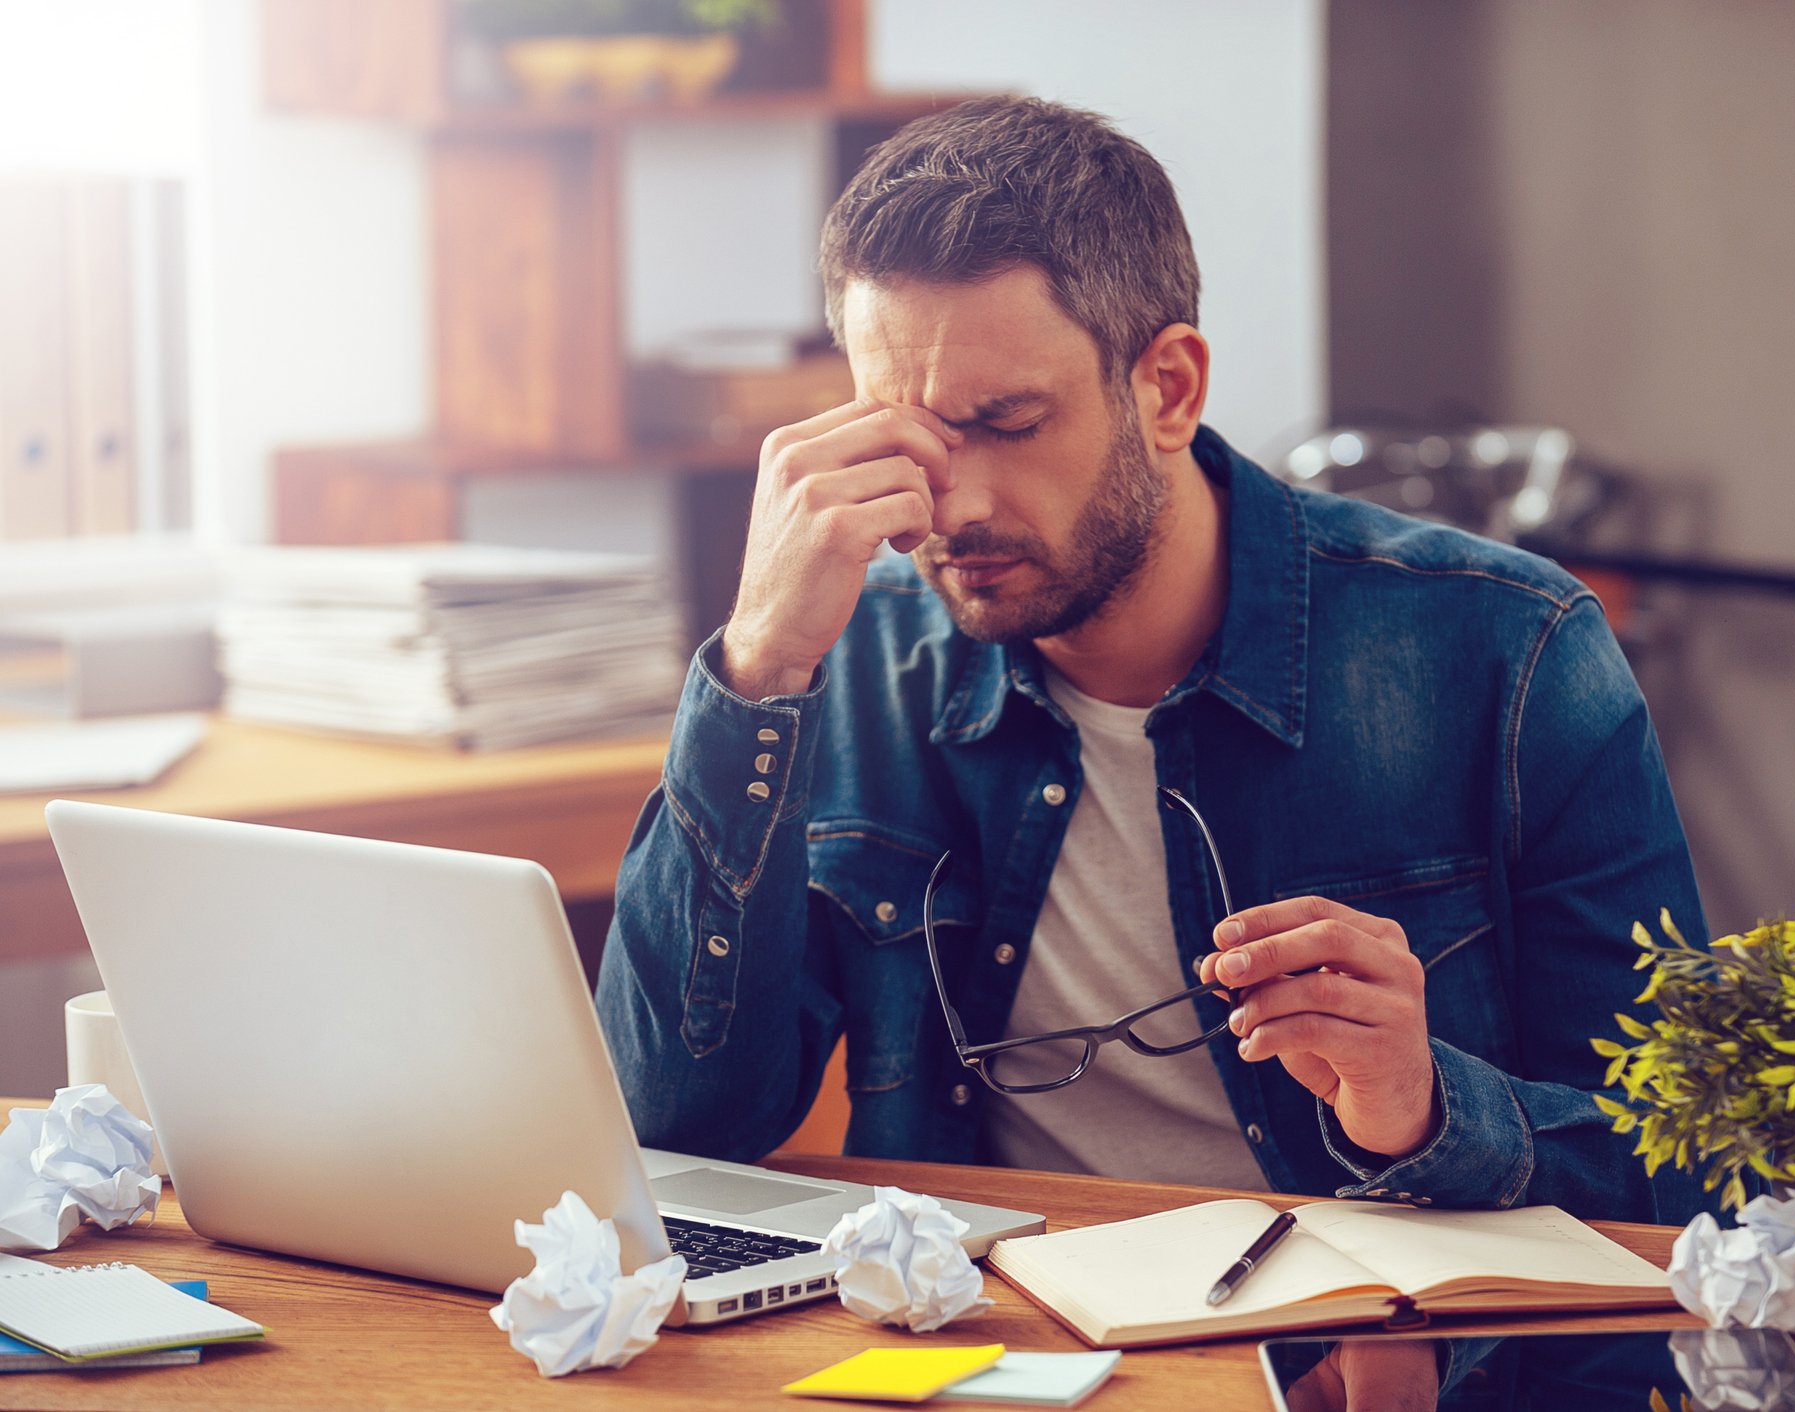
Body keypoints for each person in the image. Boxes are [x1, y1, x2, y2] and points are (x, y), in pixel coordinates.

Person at [595, 96, 1709, 1220]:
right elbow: (676, 1130)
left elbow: (1687, 1173)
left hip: (1374, 1359)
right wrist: (757, 668)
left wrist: (1424, 1107)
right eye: (910, 432)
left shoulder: (1509, 650)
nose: (954, 502)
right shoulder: (853, 650)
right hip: (992, 1345)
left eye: (1009, 421)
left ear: (1167, 388)